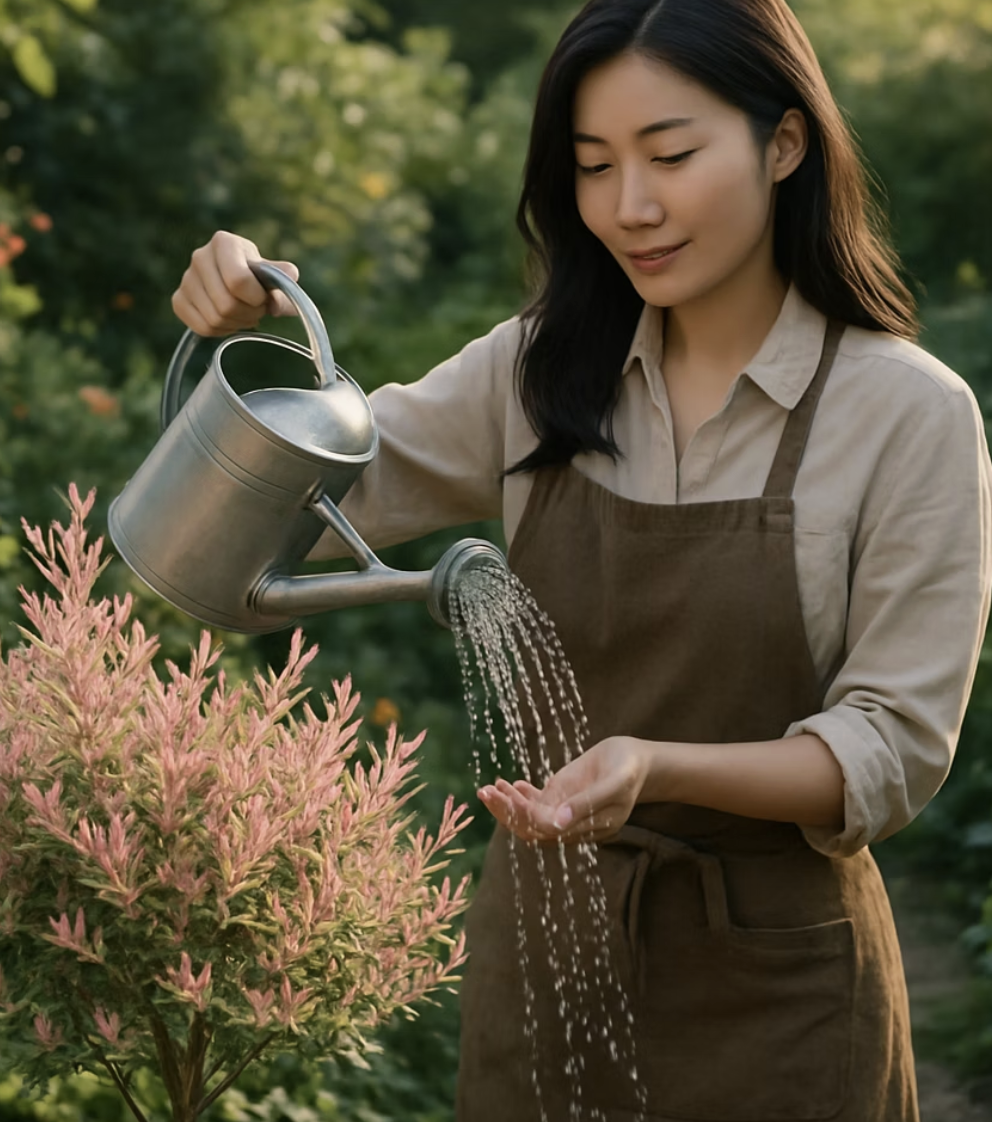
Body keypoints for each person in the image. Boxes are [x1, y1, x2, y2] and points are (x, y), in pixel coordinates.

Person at [171, 0, 992, 1118]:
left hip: (783, 990)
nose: (629, 207)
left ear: (783, 144)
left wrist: (658, 766)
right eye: (592, 166)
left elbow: (888, 750)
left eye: (671, 155)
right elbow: (260, 522)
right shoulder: (533, 373)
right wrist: (242, 359)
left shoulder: (904, 414)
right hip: (545, 961)